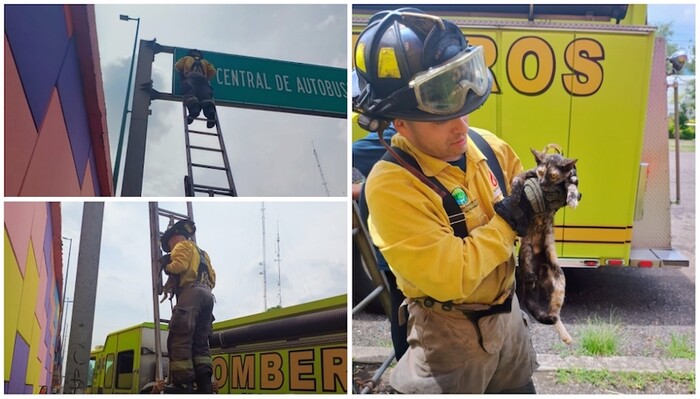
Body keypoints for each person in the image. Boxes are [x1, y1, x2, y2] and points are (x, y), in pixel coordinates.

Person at [354, 8, 569, 394]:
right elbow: (451, 276)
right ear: (400, 123)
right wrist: (508, 221)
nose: (461, 126)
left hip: (508, 327)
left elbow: (527, 203)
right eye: (441, 117)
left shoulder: (488, 146)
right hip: (447, 339)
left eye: (463, 108)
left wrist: (549, 195)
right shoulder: (391, 185)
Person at [159, 219, 216, 394]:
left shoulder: (181, 246)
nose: (170, 247)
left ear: (175, 237)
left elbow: (179, 266)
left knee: (180, 339)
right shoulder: (203, 253)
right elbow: (213, 277)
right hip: (208, 295)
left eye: (169, 243)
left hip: (191, 295)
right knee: (200, 344)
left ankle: (183, 385)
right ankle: (205, 384)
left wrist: (165, 265)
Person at [174, 49, 218, 128]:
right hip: (203, 79)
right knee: (206, 96)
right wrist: (207, 78)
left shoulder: (186, 58)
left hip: (190, 77)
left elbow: (177, 66)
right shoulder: (205, 62)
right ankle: (210, 112)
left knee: (190, 92)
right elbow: (213, 71)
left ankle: (194, 108)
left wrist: (182, 74)